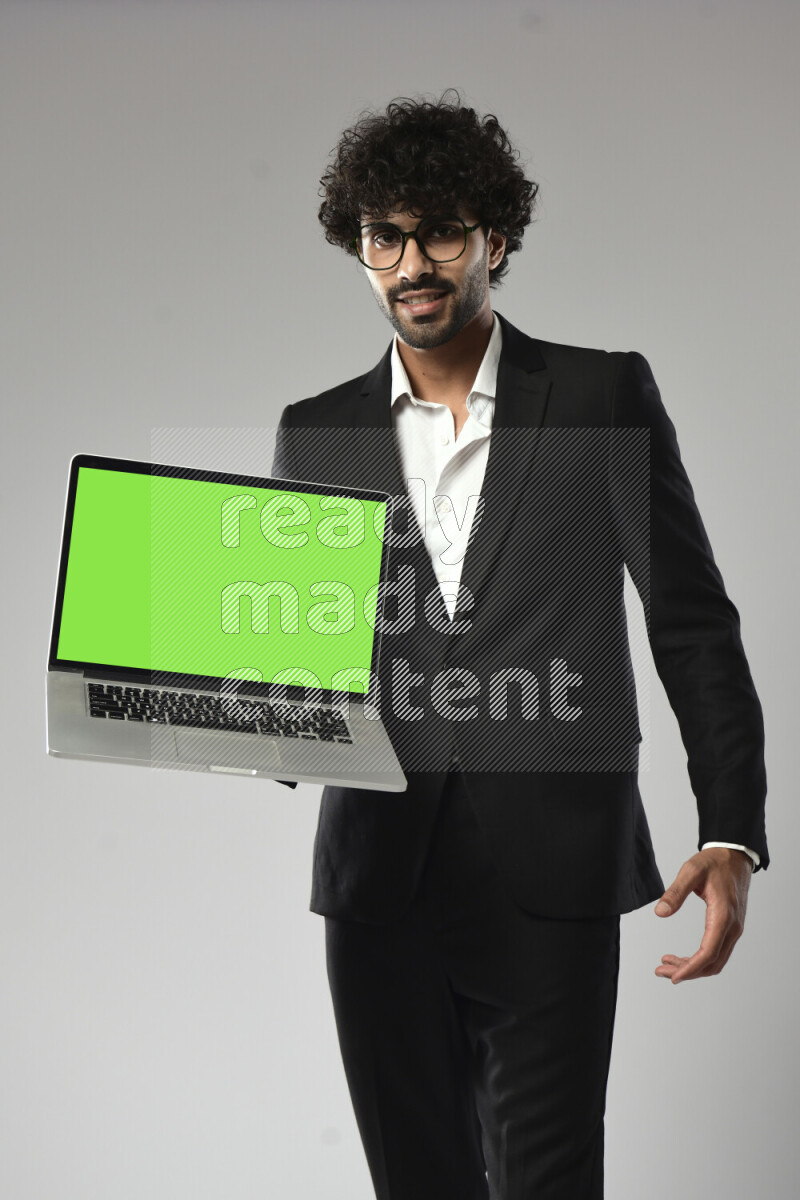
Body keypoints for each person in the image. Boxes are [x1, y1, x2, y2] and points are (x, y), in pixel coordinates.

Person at [270, 92, 768, 1200]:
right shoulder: (317, 430)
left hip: (554, 870)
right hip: (378, 880)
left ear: (494, 238)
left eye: (441, 233)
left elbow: (692, 624)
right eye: (384, 237)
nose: (412, 264)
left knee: (549, 1183)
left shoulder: (599, 393)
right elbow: (302, 672)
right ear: (358, 248)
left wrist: (730, 830)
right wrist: (227, 703)